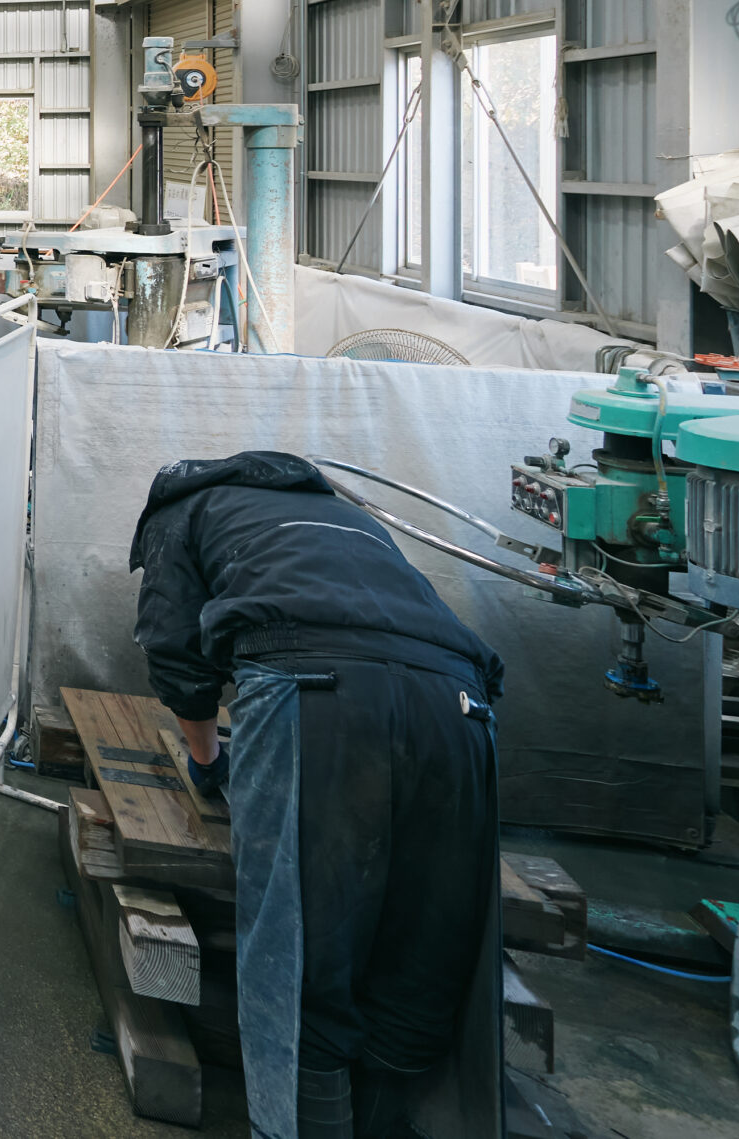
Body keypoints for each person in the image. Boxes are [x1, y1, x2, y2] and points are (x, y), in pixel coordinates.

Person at [129, 451, 502, 1139]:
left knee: (303, 960)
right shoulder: (346, 516)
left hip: (316, 692)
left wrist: (209, 762)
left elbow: (175, 653)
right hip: (460, 705)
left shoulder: (181, 510)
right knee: (419, 955)